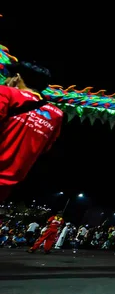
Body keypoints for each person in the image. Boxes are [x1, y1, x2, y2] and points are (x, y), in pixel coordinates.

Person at [0, 61, 63, 203]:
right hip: (7, 185)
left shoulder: (6, 92)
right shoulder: (56, 115)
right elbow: (45, 148)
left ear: (17, 77)